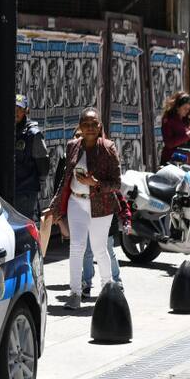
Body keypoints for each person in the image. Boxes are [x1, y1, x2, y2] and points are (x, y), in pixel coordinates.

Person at [49, 109, 123, 310]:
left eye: (94, 124)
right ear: (80, 126)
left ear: (100, 127)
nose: (90, 128)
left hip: (101, 205)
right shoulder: (73, 146)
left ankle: (109, 290)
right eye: (86, 124)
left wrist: (95, 183)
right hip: (76, 202)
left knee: (100, 248)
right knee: (76, 246)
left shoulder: (108, 148)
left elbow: (116, 183)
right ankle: (75, 292)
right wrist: (56, 206)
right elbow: (66, 179)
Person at [13, 94, 49, 222]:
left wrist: (36, 183)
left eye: (19, 109)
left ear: (25, 111)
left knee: (25, 223)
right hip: (9, 188)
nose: (16, 113)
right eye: (13, 109)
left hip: (25, 190)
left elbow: (43, 163)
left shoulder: (33, 134)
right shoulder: (4, 129)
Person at [160, 92, 190, 166]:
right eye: (184, 108)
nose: (187, 111)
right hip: (172, 162)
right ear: (177, 107)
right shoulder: (169, 120)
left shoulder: (189, 121)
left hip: (187, 162)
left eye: (189, 109)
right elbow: (169, 143)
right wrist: (188, 135)